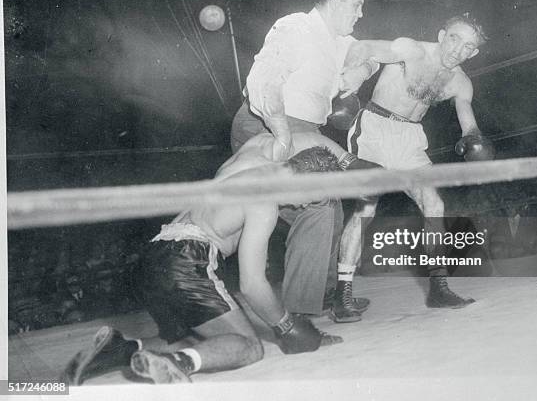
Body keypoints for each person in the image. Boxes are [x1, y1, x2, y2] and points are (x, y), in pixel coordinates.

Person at [61, 132, 377, 385]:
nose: (305, 206)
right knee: (248, 347)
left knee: (186, 337)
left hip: (153, 257)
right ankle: (176, 365)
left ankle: (118, 350)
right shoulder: (265, 198)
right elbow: (253, 284)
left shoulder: (248, 166)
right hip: (188, 260)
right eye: (312, 197)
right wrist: (286, 326)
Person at [230, 0, 378, 316]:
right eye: (356, 5)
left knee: (332, 209)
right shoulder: (296, 27)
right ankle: (298, 315)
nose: (361, 14)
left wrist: (360, 72)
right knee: (319, 206)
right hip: (267, 125)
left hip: (304, 130)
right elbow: (263, 85)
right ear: (335, 1)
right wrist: (283, 136)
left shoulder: (337, 42)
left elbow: (373, 53)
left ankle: (325, 296)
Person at [331, 13, 495, 322]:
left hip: (410, 139)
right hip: (375, 127)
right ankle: (343, 294)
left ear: (473, 53)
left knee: (434, 202)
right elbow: (363, 46)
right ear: (441, 34)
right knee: (366, 209)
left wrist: (473, 141)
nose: (457, 50)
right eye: (454, 39)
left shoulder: (461, 82)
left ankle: (439, 287)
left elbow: (468, 122)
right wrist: (352, 75)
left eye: (467, 46)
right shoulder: (411, 50)